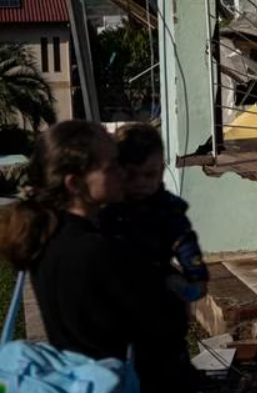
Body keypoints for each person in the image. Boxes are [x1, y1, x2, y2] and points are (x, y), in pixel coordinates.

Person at [0, 120, 186, 392]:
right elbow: (169, 322)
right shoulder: (96, 250)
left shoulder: (43, 237)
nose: (124, 172)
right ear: (75, 184)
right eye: (111, 166)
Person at [100, 123, 207, 390]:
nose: (142, 184)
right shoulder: (111, 211)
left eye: (151, 174)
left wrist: (195, 275)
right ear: (118, 171)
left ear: (161, 168)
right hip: (125, 296)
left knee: (170, 352)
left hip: (161, 287)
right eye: (132, 175)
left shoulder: (166, 208)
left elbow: (184, 241)